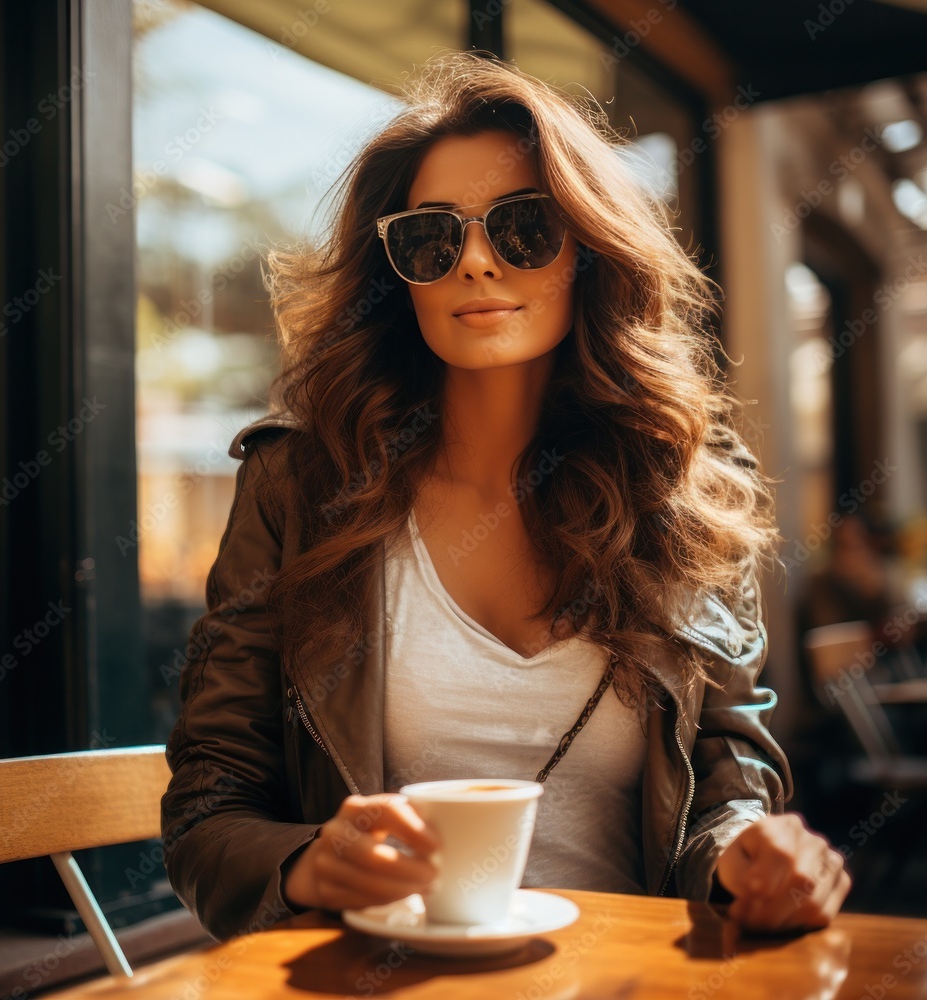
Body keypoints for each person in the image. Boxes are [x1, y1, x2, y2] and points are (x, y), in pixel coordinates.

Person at [162, 50, 851, 941]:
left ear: (589, 250)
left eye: (523, 227)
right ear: (394, 275)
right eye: (431, 237)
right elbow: (208, 806)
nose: (477, 263)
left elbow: (727, 778)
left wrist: (745, 855)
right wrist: (305, 865)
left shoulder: (684, 491)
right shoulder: (296, 490)